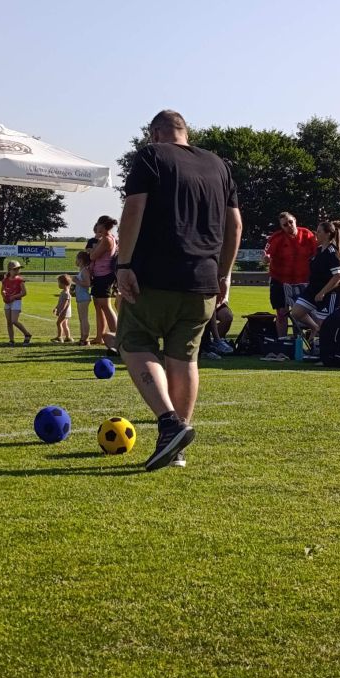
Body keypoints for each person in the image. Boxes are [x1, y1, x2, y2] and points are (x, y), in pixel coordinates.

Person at [115, 109, 242, 472]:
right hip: (203, 280)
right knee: (185, 357)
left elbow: (134, 209)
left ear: (155, 133)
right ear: (186, 132)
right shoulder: (219, 165)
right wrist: (224, 274)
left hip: (155, 275)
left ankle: (169, 422)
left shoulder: (151, 155)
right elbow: (235, 224)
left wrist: (124, 265)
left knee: (134, 342)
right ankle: (177, 448)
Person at [264, 212, 317, 337]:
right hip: (280, 280)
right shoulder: (276, 238)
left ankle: (300, 339)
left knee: (302, 312)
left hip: (302, 281)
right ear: (281, 227)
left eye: (290, 222)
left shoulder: (307, 234)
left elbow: (316, 253)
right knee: (281, 313)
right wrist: (266, 258)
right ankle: (282, 340)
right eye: (285, 225)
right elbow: (267, 253)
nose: (289, 226)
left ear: (295, 220)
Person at [290, 221, 340, 336]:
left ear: (328, 234)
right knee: (296, 312)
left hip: (328, 293)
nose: (316, 234)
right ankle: (315, 328)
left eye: (319, 231)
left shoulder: (332, 253)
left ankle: (325, 344)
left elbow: (337, 276)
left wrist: (322, 292)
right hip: (312, 290)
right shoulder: (318, 250)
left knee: (325, 324)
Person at [88, 216, 118, 343]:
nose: (97, 226)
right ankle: (100, 337)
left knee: (106, 306)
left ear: (103, 225)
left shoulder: (107, 239)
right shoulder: (106, 238)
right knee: (98, 306)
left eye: (98, 224)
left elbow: (93, 256)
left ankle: (117, 337)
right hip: (99, 275)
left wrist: (92, 249)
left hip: (104, 275)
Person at [1, 260, 32, 345]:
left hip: (16, 301)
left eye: (18, 269)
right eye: (15, 269)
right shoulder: (5, 280)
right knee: (9, 322)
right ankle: (11, 340)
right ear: (9, 270)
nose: (17, 271)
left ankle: (27, 334)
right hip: (8, 302)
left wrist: (14, 297)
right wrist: (4, 296)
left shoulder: (19, 280)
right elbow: (2, 290)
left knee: (14, 321)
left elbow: (24, 292)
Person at [73, 251, 91, 345]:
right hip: (80, 298)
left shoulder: (85, 271)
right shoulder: (81, 271)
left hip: (84, 297)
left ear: (80, 260)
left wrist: (77, 281)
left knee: (84, 318)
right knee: (81, 318)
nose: (75, 261)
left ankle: (86, 338)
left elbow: (88, 284)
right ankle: (82, 337)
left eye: (76, 259)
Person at [52, 274, 73, 343]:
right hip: (65, 312)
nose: (58, 284)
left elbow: (65, 304)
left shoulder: (66, 293)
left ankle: (59, 337)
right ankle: (68, 337)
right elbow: (60, 302)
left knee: (58, 323)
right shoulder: (63, 292)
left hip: (64, 312)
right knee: (64, 324)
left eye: (59, 283)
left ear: (63, 283)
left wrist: (60, 311)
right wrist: (56, 307)